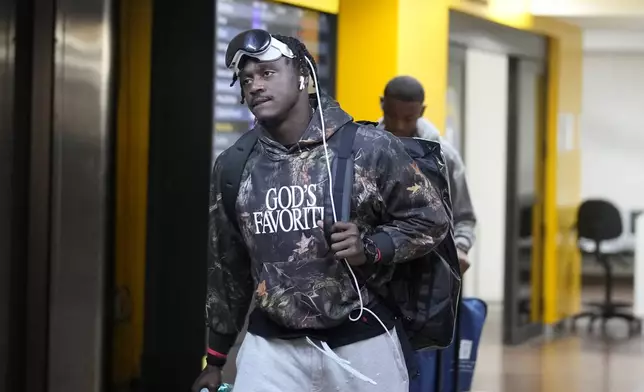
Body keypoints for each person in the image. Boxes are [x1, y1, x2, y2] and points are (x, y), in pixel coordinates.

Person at [192, 30, 450, 392]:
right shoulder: (236, 166)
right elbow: (226, 266)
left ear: (303, 77)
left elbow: (431, 219)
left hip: (362, 340)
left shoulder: (370, 147)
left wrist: (373, 247)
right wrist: (215, 358)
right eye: (247, 79)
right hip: (271, 351)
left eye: (268, 73)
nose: (255, 86)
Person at [378, 75, 477, 274]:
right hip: (376, 271)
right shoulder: (364, 151)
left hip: (431, 274)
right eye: (392, 116)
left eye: (408, 119)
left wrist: (460, 248)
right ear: (382, 105)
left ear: (422, 111)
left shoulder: (444, 156)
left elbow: (464, 217)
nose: (399, 126)